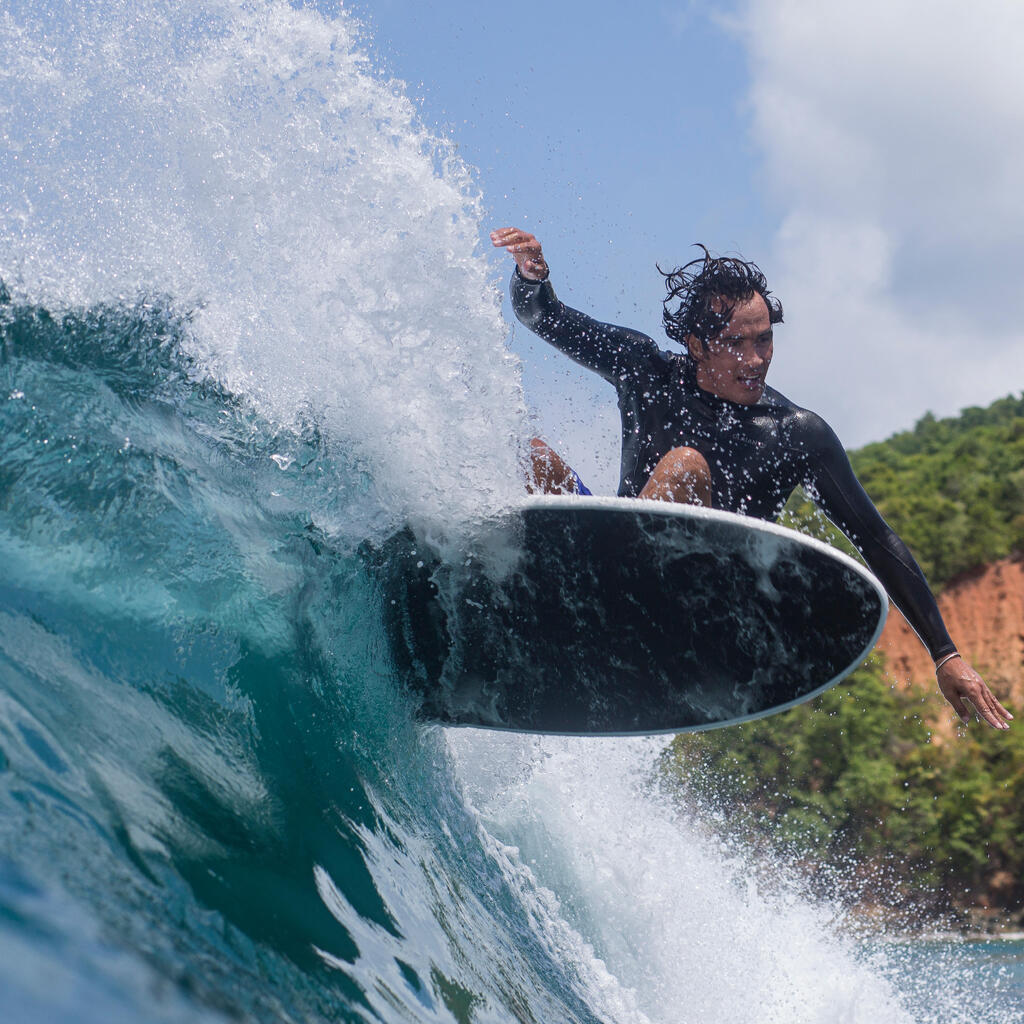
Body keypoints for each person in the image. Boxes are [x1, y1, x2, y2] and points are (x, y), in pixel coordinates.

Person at [491, 226, 1013, 732]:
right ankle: (533, 590)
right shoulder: (643, 369)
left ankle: (598, 610)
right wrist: (533, 277)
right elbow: (545, 317)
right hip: (611, 572)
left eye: (765, 341)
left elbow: (876, 540)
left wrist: (946, 653)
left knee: (684, 467)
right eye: (737, 344)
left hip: (703, 612)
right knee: (527, 452)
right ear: (696, 344)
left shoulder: (795, 434)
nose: (757, 359)